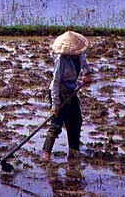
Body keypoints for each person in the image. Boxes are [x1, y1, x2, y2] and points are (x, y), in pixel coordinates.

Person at [42, 31, 92, 161]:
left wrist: (87, 74)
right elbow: (56, 82)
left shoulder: (80, 55)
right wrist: (55, 105)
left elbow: (85, 65)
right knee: (56, 123)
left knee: (76, 120)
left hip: (71, 90)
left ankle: (73, 150)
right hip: (59, 91)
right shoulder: (61, 60)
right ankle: (46, 153)